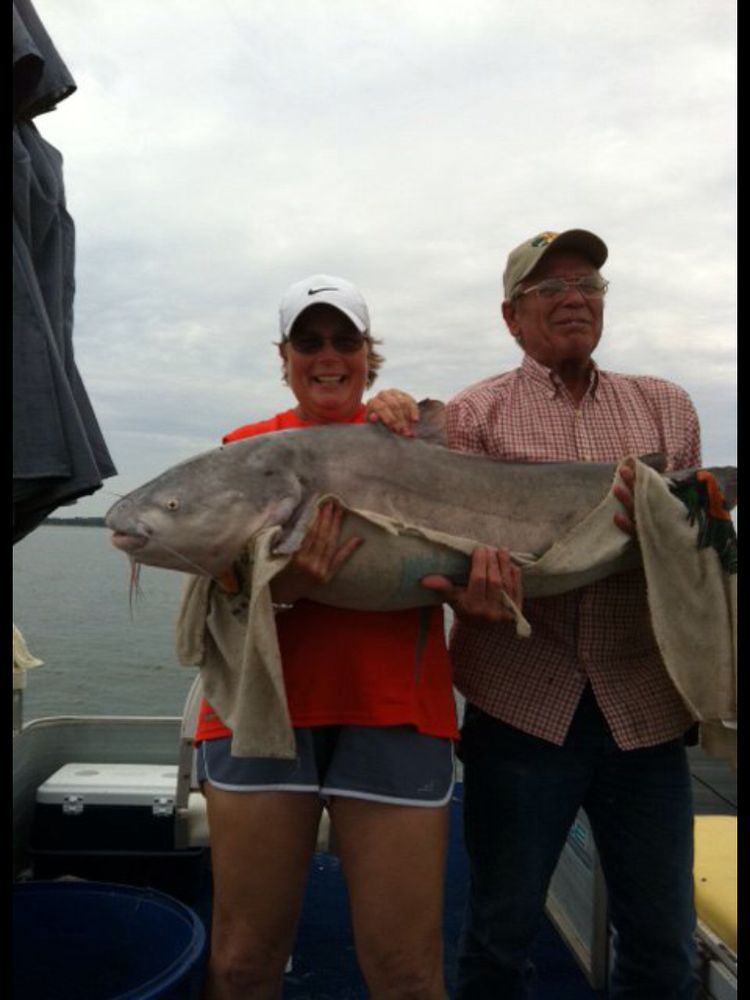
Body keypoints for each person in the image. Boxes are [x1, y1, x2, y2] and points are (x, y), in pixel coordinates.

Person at [194, 274, 521, 1000]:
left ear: (371, 355)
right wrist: (287, 586)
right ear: (283, 357)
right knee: (243, 963)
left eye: (346, 340)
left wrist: (480, 601)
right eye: (309, 342)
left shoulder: (413, 440)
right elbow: (211, 595)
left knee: (407, 974)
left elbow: (464, 548)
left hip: (396, 710)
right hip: (259, 714)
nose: (328, 355)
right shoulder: (245, 448)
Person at [415, 230, 702, 999]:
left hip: (645, 708)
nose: (575, 298)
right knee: (499, 937)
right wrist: (474, 604)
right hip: (520, 711)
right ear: (511, 317)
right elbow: (449, 549)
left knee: (662, 945)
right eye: (550, 289)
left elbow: (693, 549)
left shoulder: (667, 408)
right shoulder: (473, 416)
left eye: (590, 284)